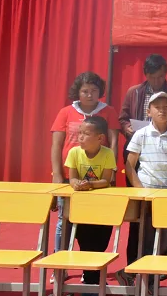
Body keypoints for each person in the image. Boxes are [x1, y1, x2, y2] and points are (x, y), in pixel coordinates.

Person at [118, 92, 167, 289]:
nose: (162, 111)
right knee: (143, 237)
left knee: (165, 239)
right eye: (157, 107)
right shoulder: (140, 134)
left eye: (166, 107)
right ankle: (140, 280)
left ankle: (141, 278)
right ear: (149, 111)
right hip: (145, 194)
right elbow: (130, 166)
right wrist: (141, 191)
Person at [50, 71, 122, 250]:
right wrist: (57, 174)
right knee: (64, 219)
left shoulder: (108, 111)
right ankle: (60, 258)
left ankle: (90, 258)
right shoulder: (66, 112)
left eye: (94, 90)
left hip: (99, 177)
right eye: (85, 91)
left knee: (94, 220)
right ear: (78, 92)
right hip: (71, 176)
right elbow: (56, 145)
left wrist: (112, 172)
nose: (90, 95)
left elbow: (113, 142)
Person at [64, 116, 117, 293]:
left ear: (100, 138)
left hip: (103, 206)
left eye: (86, 134)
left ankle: (96, 280)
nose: (80, 137)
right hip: (82, 206)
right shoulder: (74, 152)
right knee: (85, 242)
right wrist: (76, 184)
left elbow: (106, 180)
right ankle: (89, 281)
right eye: (79, 133)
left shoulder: (108, 153)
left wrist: (90, 184)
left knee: (100, 243)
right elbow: (72, 178)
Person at [118, 54, 167, 141]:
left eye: (160, 77)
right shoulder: (134, 93)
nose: (156, 81)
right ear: (145, 75)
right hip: (138, 142)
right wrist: (127, 128)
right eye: (152, 77)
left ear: (165, 73)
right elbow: (122, 120)